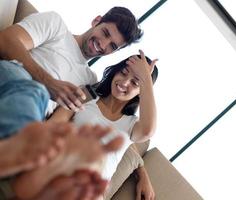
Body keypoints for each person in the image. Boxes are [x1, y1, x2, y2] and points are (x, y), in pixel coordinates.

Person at [0, 7, 142, 139]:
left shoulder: (90, 81)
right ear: (96, 21)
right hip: (12, 77)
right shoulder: (56, 25)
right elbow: (5, 40)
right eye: (105, 33)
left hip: (33, 117)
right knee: (39, 91)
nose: (103, 45)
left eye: (112, 46)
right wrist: (48, 83)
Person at [48, 50, 157, 199]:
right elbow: (52, 127)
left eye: (135, 82)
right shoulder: (86, 95)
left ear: (141, 91)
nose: (124, 83)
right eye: (124, 73)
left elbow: (148, 131)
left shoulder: (132, 126)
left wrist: (146, 78)